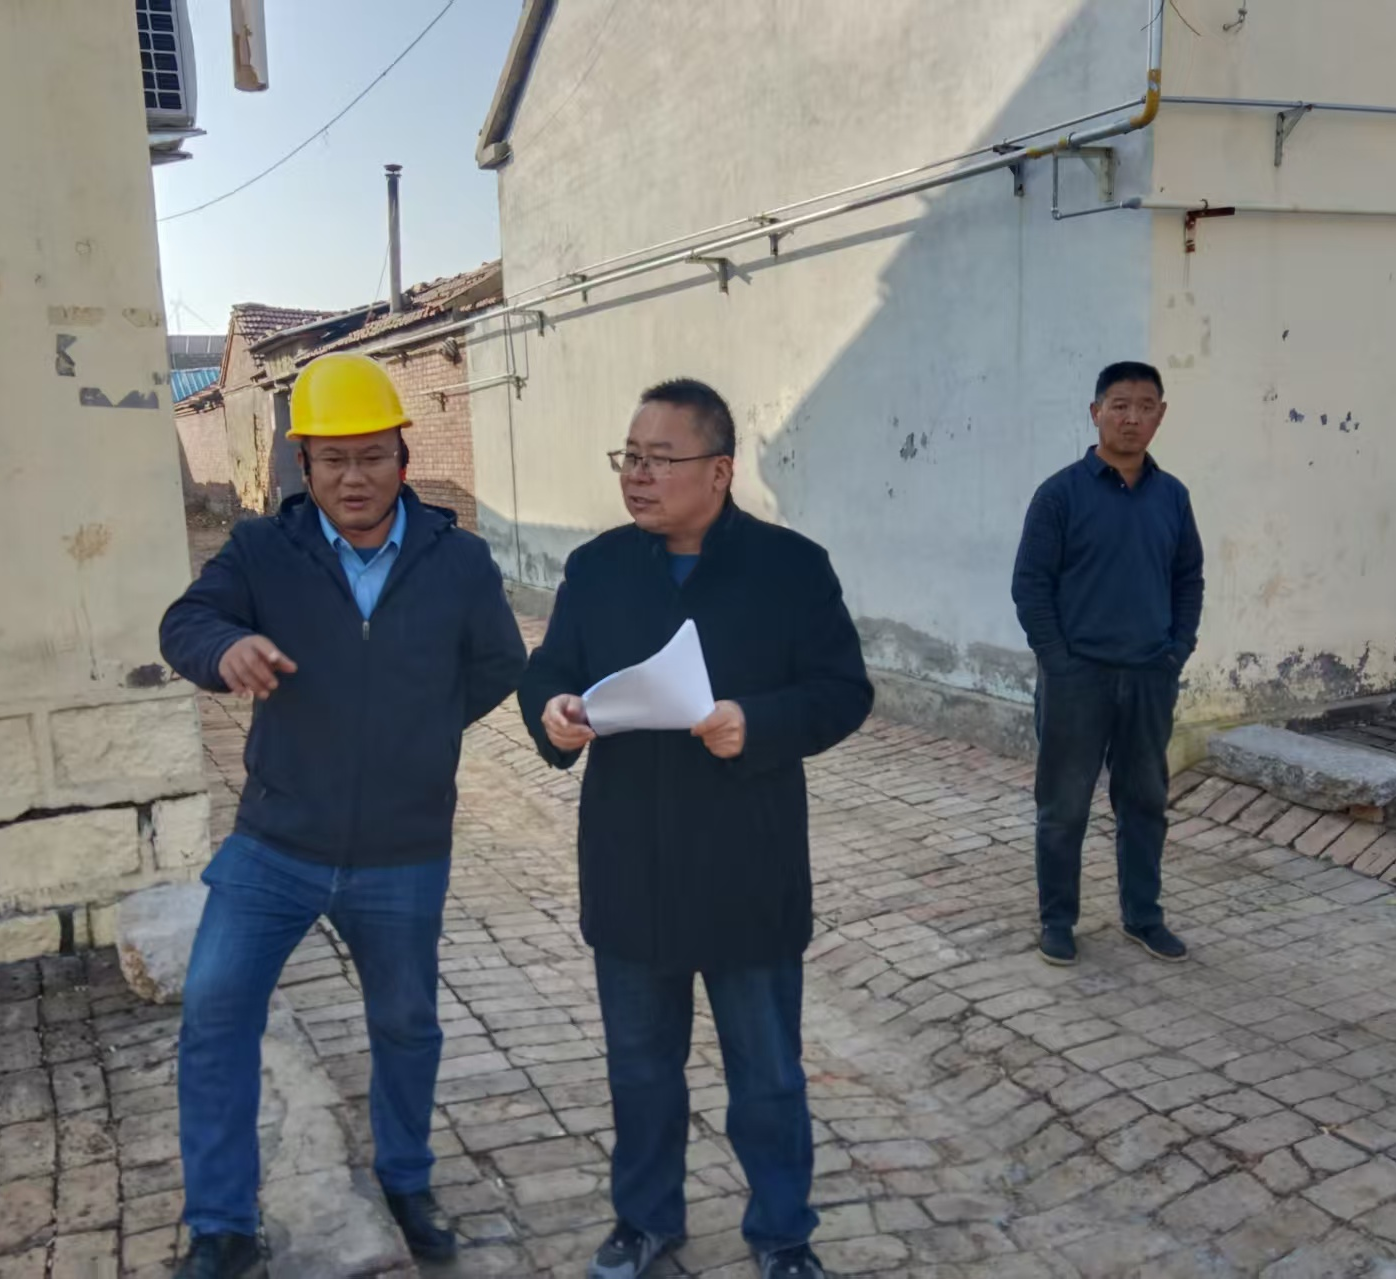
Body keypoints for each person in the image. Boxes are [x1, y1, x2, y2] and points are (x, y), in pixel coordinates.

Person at [158, 352, 526, 1278]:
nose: (352, 478)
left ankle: (407, 1180)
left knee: (406, 1022)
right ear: (304, 463)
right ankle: (222, 1225)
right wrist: (226, 646)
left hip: (403, 849)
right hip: (275, 841)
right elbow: (185, 623)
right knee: (214, 1010)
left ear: (403, 456)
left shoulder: (458, 560)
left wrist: (416, 733)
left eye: (370, 456)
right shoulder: (261, 551)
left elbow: (498, 663)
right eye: (332, 459)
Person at [518, 379, 873, 1279]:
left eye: (658, 459)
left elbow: (843, 691)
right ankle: (645, 1220)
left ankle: (783, 1234)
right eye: (629, 458)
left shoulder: (792, 568)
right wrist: (554, 711)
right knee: (640, 1071)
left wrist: (758, 722)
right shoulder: (598, 568)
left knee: (769, 1075)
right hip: (630, 862)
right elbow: (549, 672)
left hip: (748, 863)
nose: (636, 476)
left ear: (719, 471)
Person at [1011, 361, 1204, 968]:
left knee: (1144, 802)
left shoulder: (1173, 498)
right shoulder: (1060, 495)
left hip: (1149, 677)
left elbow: (1188, 580)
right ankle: (1057, 921)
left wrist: (1176, 651)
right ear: (1096, 412)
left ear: (1160, 416)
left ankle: (1143, 916)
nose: (1132, 418)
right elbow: (1030, 587)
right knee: (1063, 806)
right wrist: (1060, 663)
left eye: (1145, 406)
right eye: (1119, 405)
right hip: (1077, 680)